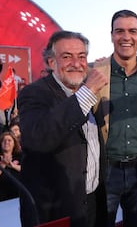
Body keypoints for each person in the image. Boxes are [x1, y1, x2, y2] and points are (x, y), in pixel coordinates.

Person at [18, 30, 108, 227]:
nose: (76, 63)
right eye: (67, 57)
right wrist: (88, 91)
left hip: (92, 204)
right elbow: (41, 137)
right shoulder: (34, 93)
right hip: (57, 211)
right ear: (51, 62)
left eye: (81, 56)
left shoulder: (90, 93)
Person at [93, 9, 137, 227]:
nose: (126, 37)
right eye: (119, 31)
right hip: (105, 170)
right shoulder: (94, 73)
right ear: (111, 35)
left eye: (132, 31)